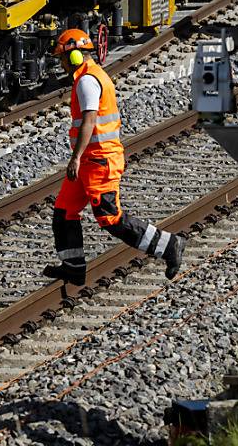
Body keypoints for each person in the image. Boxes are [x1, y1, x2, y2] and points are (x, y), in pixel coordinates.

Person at [43, 28, 185, 286]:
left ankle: (169, 245)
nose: (61, 64)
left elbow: (89, 120)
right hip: (88, 161)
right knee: (64, 211)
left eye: (62, 58)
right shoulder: (87, 77)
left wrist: (74, 158)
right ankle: (73, 268)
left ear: (75, 56)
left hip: (99, 161)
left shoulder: (87, 80)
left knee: (110, 218)